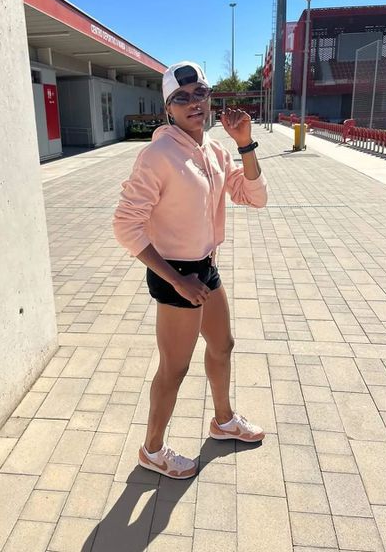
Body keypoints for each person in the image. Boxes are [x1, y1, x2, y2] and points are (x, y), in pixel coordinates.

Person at [113, 61, 268, 480]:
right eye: (181, 98)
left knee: (223, 345)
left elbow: (254, 197)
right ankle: (152, 450)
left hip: (205, 267)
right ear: (168, 108)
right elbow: (125, 225)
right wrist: (176, 280)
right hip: (175, 274)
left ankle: (223, 421)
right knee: (174, 367)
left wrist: (246, 145)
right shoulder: (157, 156)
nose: (193, 103)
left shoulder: (214, 150)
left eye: (199, 93)